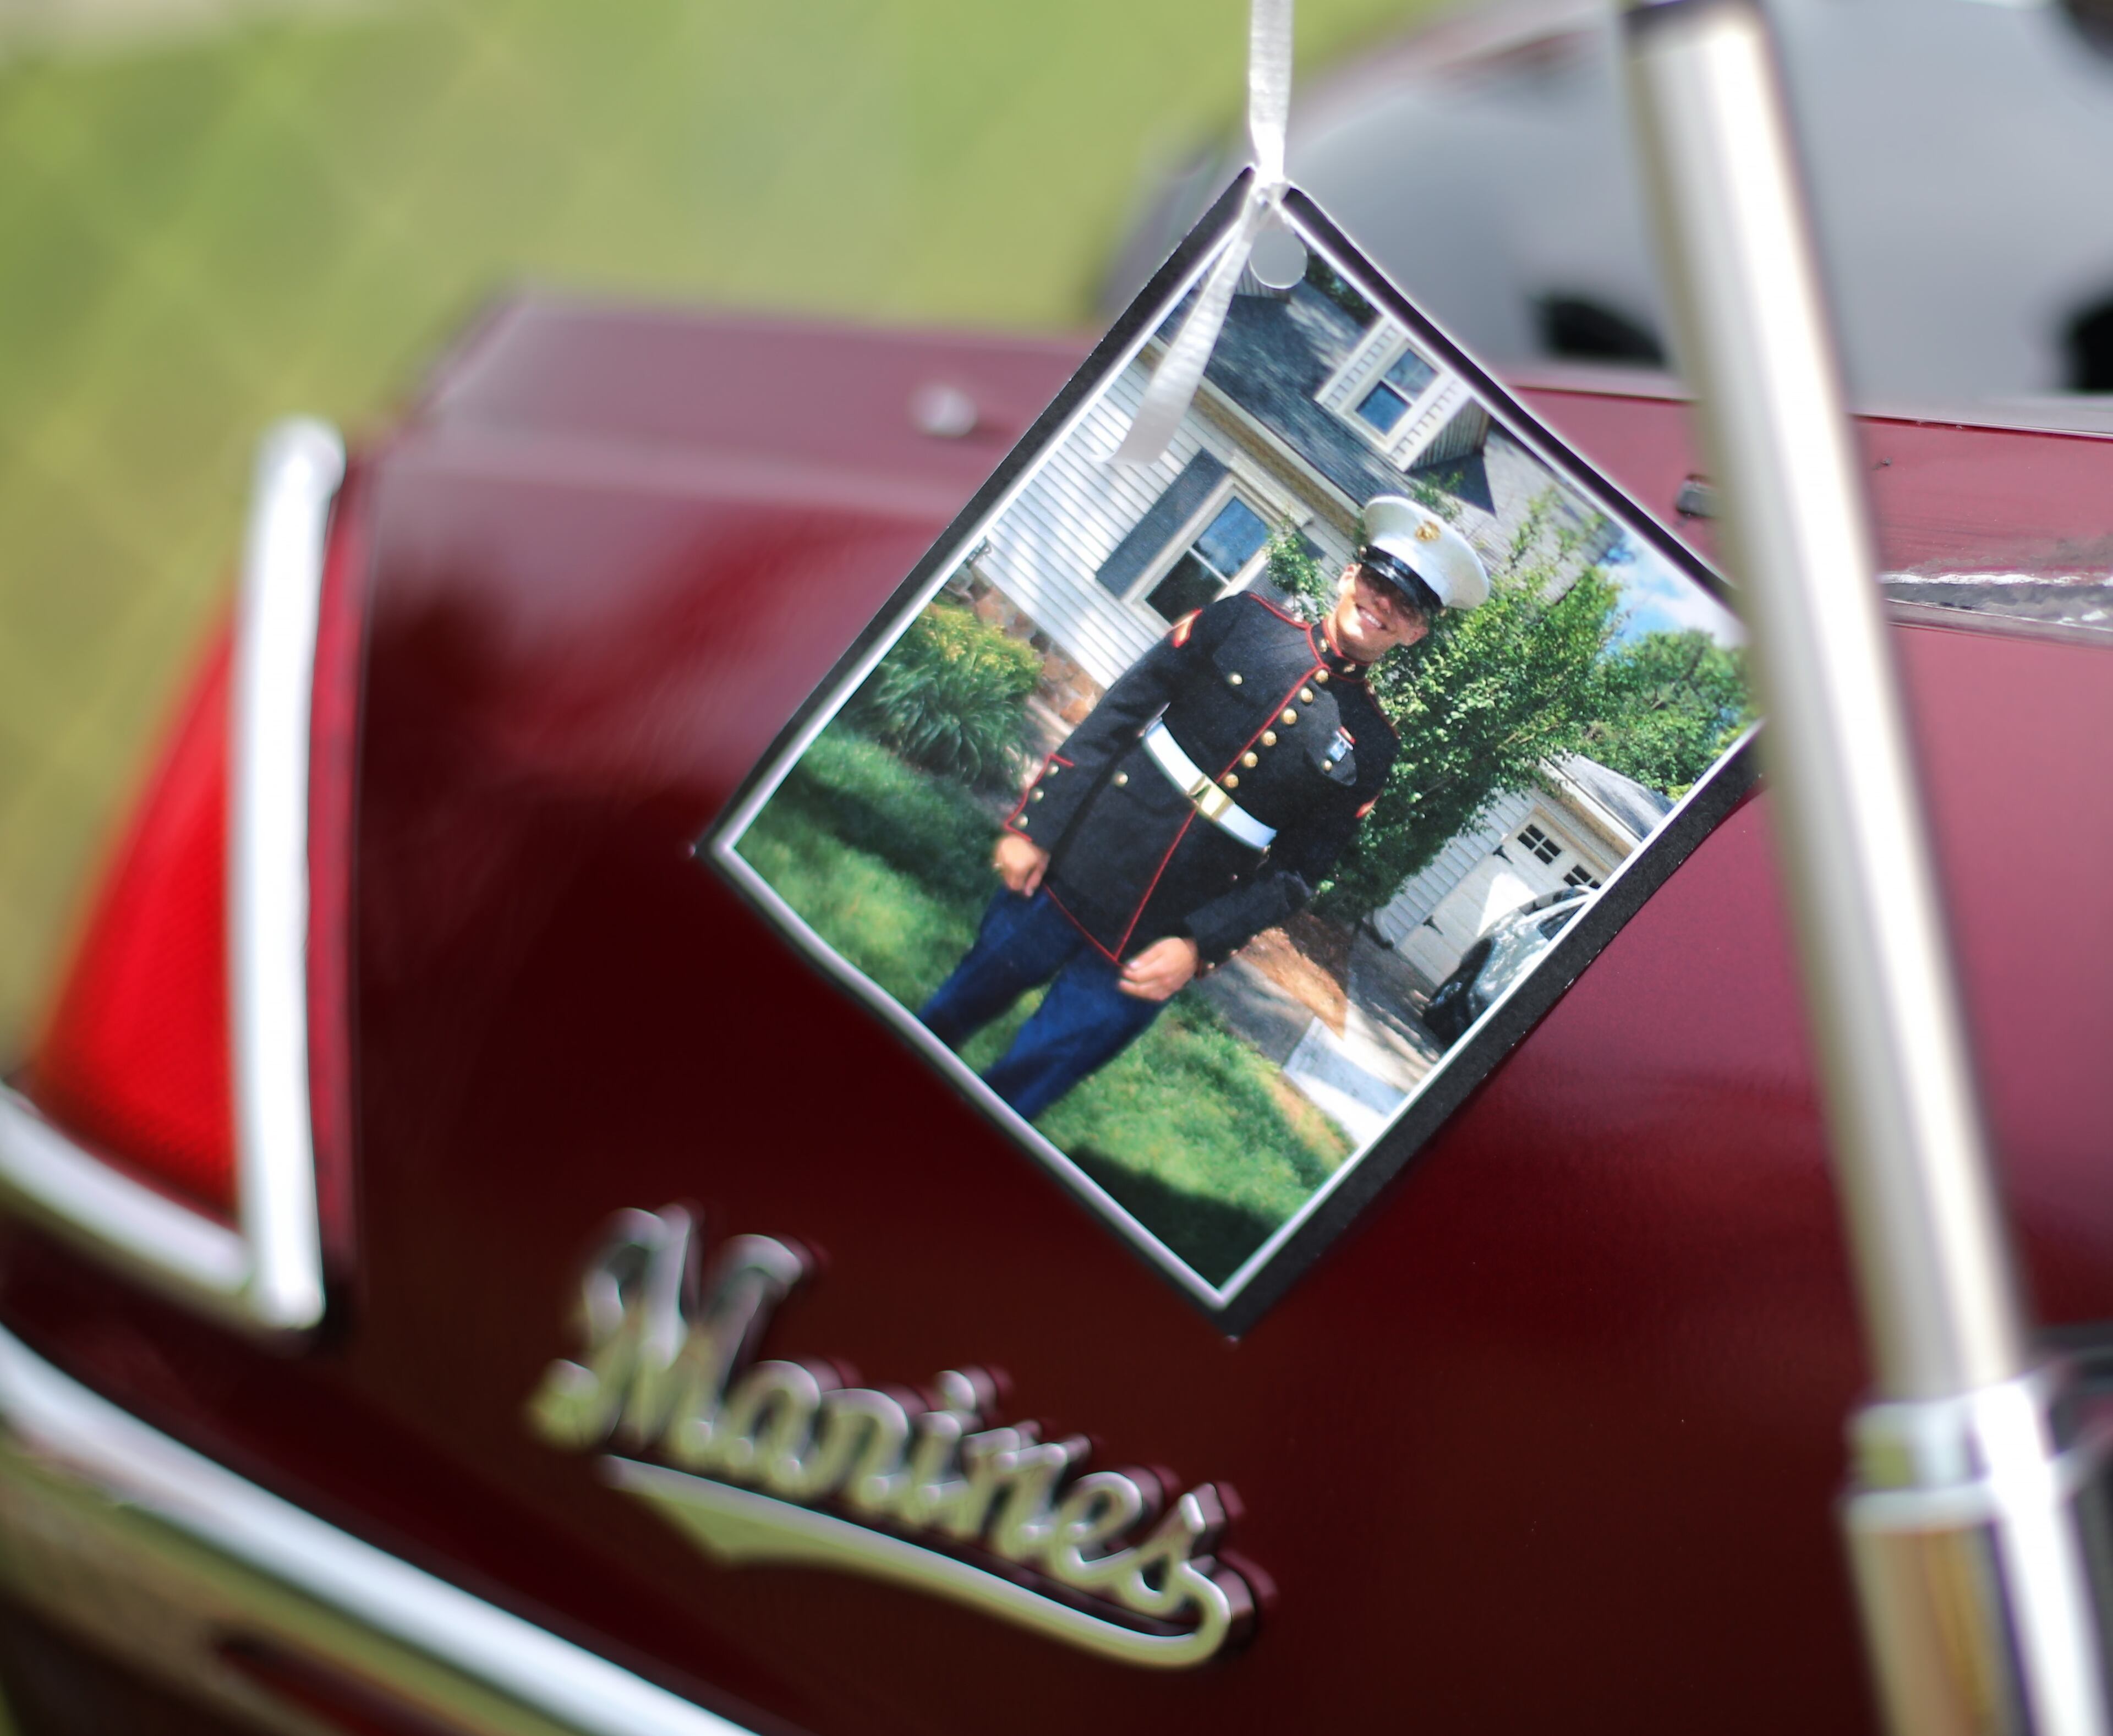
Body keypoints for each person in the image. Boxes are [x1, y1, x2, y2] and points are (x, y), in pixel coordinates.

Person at [918, 494, 1489, 1120]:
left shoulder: (1374, 747)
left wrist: (1199, 945)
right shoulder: (1246, 624)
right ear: (1351, 575)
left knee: (1016, 1098)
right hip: (1071, 868)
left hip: (1158, 938)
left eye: (1404, 604)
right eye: (1379, 582)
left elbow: (1295, 874)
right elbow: (1119, 715)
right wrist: (1037, 824)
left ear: (1416, 631)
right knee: (943, 1018)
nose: (1382, 606)